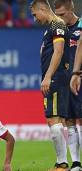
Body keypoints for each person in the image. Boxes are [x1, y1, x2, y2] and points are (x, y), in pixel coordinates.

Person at [30, 0, 70, 170]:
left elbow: (59, 51)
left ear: (43, 8)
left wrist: (47, 77)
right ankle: (64, 162)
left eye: (34, 14)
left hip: (56, 78)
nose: (34, 19)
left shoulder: (57, 25)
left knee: (53, 119)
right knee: (57, 120)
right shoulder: (50, 28)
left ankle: (62, 164)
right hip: (57, 78)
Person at [54, 0, 82, 170]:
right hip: (66, 81)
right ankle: (76, 162)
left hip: (80, 78)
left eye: (63, 14)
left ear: (72, 9)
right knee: (70, 121)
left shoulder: (81, 25)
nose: (60, 18)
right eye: (57, 15)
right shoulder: (59, 30)